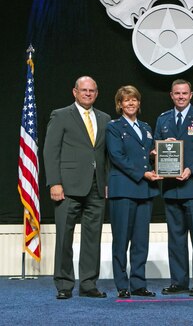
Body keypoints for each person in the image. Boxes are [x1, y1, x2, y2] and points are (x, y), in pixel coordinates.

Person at [43, 76, 111, 300]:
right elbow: (50, 151)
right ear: (75, 92)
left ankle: (89, 283)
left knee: (93, 237)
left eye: (92, 90)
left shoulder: (105, 118)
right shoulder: (61, 115)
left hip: (96, 186)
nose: (88, 94)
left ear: (97, 93)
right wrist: (55, 182)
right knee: (64, 237)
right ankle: (64, 284)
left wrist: (107, 182)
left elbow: (105, 155)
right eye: (84, 90)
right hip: (67, 186)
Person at [154, 79, 193, 296]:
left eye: (184, 93)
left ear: (191, 94)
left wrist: (192, 169)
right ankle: (179, 282)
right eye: (176, 93)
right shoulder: (162, 120)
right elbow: (155, 148)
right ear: (171, 95)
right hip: (171, 188)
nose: (180, 97)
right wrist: (157, 151)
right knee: (176, 238)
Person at [106, 85, 162, 298]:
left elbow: (143, 155)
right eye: (126, 100)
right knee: (121, 240)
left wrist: (155, 156)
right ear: (119, 105)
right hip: (124, 190)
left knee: (141, 241)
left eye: (134, 100)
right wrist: (143, 173)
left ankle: (138, 284)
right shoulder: (114, 127)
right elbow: (118, 157)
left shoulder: (146, 127)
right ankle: (122, 285)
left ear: (139, 103)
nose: (130, 103)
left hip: (145, 191)